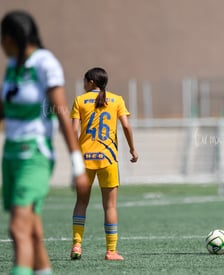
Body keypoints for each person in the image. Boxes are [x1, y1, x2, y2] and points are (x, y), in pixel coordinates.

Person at [0, 10, 88, 275]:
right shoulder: (12, 66)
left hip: (35, 156)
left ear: (12, 37)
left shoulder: (44, 62)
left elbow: (62, 114)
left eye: (2, 39)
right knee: (34, 231)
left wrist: (77, 164)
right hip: (11, 156)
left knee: (18, 228)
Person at [70, 67, 139, 261]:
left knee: (81, 203)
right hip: (108, 159)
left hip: (84, 160)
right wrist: (133, 149)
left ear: (91, 82)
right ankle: (111, 251)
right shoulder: (116, 99)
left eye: (85, 81)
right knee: (109, 207)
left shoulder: (79, 100)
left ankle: (76, 246)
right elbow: (126, 125)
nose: (83, 84)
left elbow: (73, 130)